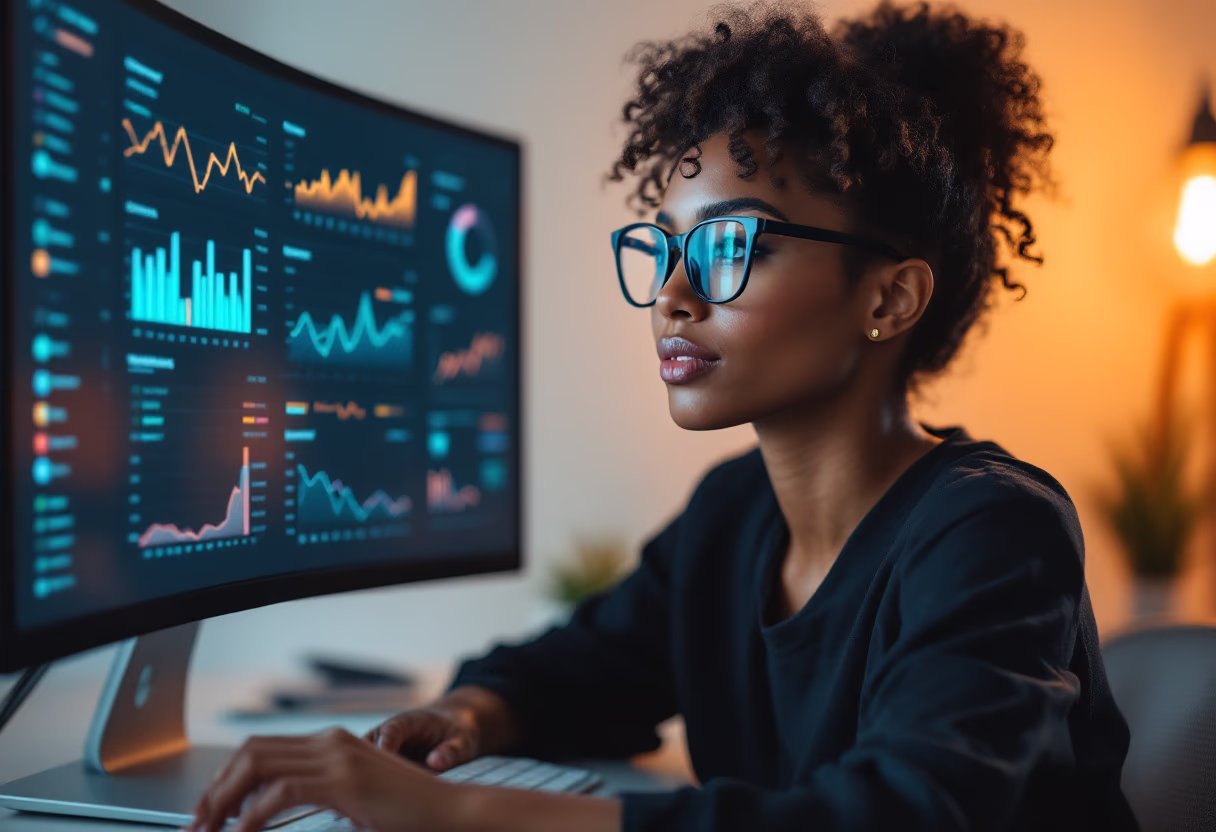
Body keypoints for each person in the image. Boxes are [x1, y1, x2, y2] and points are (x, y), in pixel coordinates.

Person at [189, 2, 1139, 830]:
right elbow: (569, 670)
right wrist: (468, 720)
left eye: (730, 246)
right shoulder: (734, 518)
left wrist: (455, 810)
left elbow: (901, 812)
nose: (673, 294)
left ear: (889, 299)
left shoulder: (992, 531)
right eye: (664, 247)